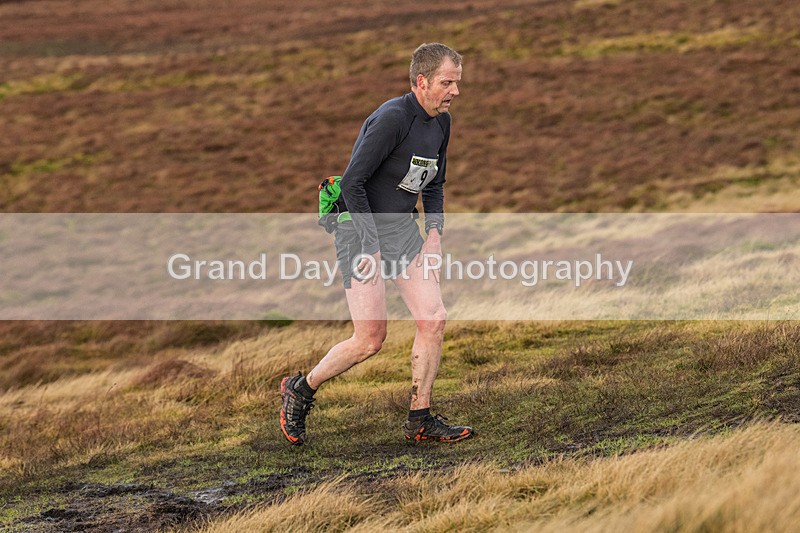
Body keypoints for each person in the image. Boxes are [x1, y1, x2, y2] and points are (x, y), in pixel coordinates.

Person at [280, 43, 474, 445]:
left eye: (456, 82)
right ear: (422, 82)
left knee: (433, 319)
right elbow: (352, 182)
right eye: (447, 82)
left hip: (402, 229)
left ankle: (419, 418)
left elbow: (435, 183)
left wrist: (434, 234)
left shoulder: (441, 122)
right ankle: (301, 389)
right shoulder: (392, 119)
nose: (454, 91)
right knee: (370, 339)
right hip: (359, 230)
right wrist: (371, 246)